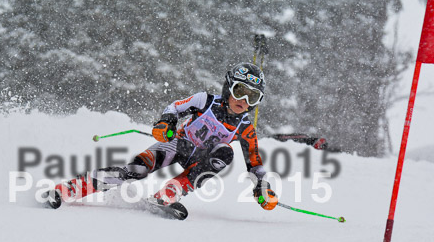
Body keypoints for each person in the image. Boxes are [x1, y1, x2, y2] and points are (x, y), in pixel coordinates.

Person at [46, 62, 278, 211]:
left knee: (225, 153)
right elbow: (174, 107)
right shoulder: (205, 101)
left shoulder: (245, 128)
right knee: (136, 171)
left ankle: (171, 191)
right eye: (240, 92)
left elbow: (255, 163)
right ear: (229, 88)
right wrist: (165, 123)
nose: (243, 101)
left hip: (200, 160)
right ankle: (73, 187)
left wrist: (262, 186)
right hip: (176, 145)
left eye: (252, 97)